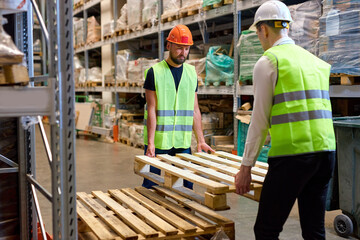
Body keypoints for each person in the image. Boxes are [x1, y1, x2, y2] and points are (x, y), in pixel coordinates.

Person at [234, 1, 336, 239]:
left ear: (264, 30)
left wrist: (245, 168)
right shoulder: (316, 62)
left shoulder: (269, 62)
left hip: (292, 157)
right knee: (314, 229)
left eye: (257, 32)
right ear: (286, 27)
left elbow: (258, 121)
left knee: (266, 230)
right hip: (325, 153)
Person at [142, 24, 214, 189]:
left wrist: (200, 140)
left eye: (187, 49)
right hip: (159, 141)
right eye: (179, 48)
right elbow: (151, 109)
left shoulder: (191, 73)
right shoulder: (154, 72)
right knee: (151, 183)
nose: (183, 53)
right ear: (169, 46)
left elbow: (195, 110)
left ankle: (183, 213)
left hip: (182, 140)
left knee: (186, 185)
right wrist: (151, 143)